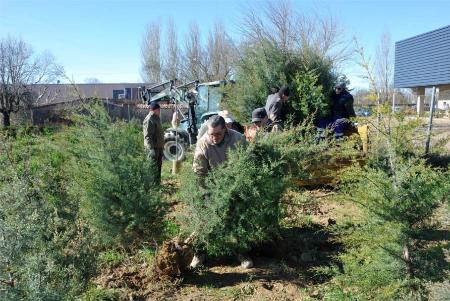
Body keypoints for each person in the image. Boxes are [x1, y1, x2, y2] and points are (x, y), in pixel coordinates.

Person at [191, 115, 253, 269]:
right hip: (212, 185)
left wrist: (237, 188)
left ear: (225, 129)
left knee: (240, 217)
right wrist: (204, 195)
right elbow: (200, 173)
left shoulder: (238, 139)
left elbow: (247, 164)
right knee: (203, 219)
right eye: (211, 134)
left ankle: (243, 253)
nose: (214, 138)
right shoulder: (203, 143)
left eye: (217, 134)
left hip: (235, 183)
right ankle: (199, 254)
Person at [143, 102, 164, 184]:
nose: (160, 111)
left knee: (158, 167)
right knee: (152, 167)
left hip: (158, 147)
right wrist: (150, 149)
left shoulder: (156, 118)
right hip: (153, 148)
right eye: (159, 110)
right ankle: (151, 186)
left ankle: (157, 184)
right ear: (155, 110)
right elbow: (147, 136)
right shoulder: (149, 119)